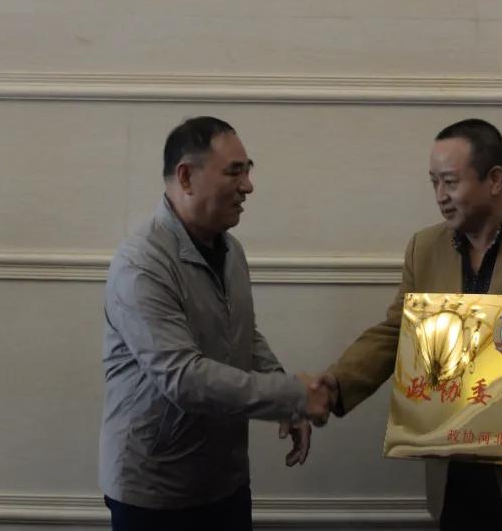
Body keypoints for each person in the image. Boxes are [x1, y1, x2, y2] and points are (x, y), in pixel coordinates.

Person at [316, 119, 502, 531]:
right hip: (456, 474)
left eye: (450, 182)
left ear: (495, 179)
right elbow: (396, 332)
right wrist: (334, 384)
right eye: (433, 182)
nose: (440, 196)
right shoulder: (424, 247)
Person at [99, 116, 331, 531]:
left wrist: (284, 393)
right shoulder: (141, 263)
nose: (248, 186)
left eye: (247, 171)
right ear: (186, 177)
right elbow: (183, 378)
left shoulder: (231, 251)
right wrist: (292, 395)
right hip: (155, 495)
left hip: (224, 483)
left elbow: (242, 333)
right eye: (234, 172)